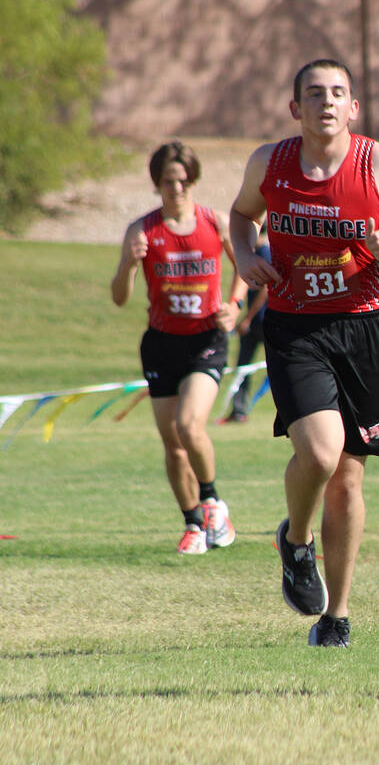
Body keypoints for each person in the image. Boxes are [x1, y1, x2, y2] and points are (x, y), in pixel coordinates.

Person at [228, 58, 379, 647]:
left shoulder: (378, 162)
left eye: (339, 93)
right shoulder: (271, 162)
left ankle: (336, 616)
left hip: (361, 329)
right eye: (315, 94)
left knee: (348, 482)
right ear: (296, 108)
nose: (328, 102)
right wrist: (244, 257)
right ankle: (295, 542)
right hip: (295, 327)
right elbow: (240, 217)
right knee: (320, 452)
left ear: (354, 108)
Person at [110, 140, 243, 555]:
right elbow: (118, 296)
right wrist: (131, 264)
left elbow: (246, 268)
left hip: (206, 341)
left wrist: (233, 306)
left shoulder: (216, 223)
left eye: (184, 181)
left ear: (194, 180)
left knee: (189, 426)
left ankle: (212, 501)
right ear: (157, 184)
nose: (177, 188)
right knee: (172, 444)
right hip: (161, 344)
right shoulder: (143, 230)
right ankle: (193, 525)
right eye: (169, 181)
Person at [224, 227, 270, 423]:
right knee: (243, 366)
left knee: (276, 369)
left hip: (264, 322)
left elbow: (266, 288)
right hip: (253, 322)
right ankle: (239, 411)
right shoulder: (254, 254)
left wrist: (248, 318)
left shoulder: (264, 252)